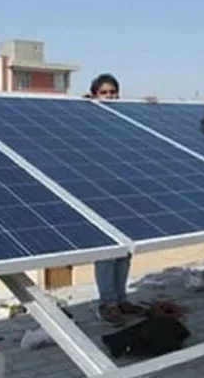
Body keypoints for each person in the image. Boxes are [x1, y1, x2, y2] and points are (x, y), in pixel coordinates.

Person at [86, 73, 147, 325]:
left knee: (125, 250)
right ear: (94, 95)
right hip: (99, 193)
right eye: (104, 93)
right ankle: (108, 303)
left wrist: (149, 108)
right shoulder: (85, 118)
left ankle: (121, 299)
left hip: (123, 192)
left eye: (113, 93)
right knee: (107, 251)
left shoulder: (124, 119)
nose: (109, 97)